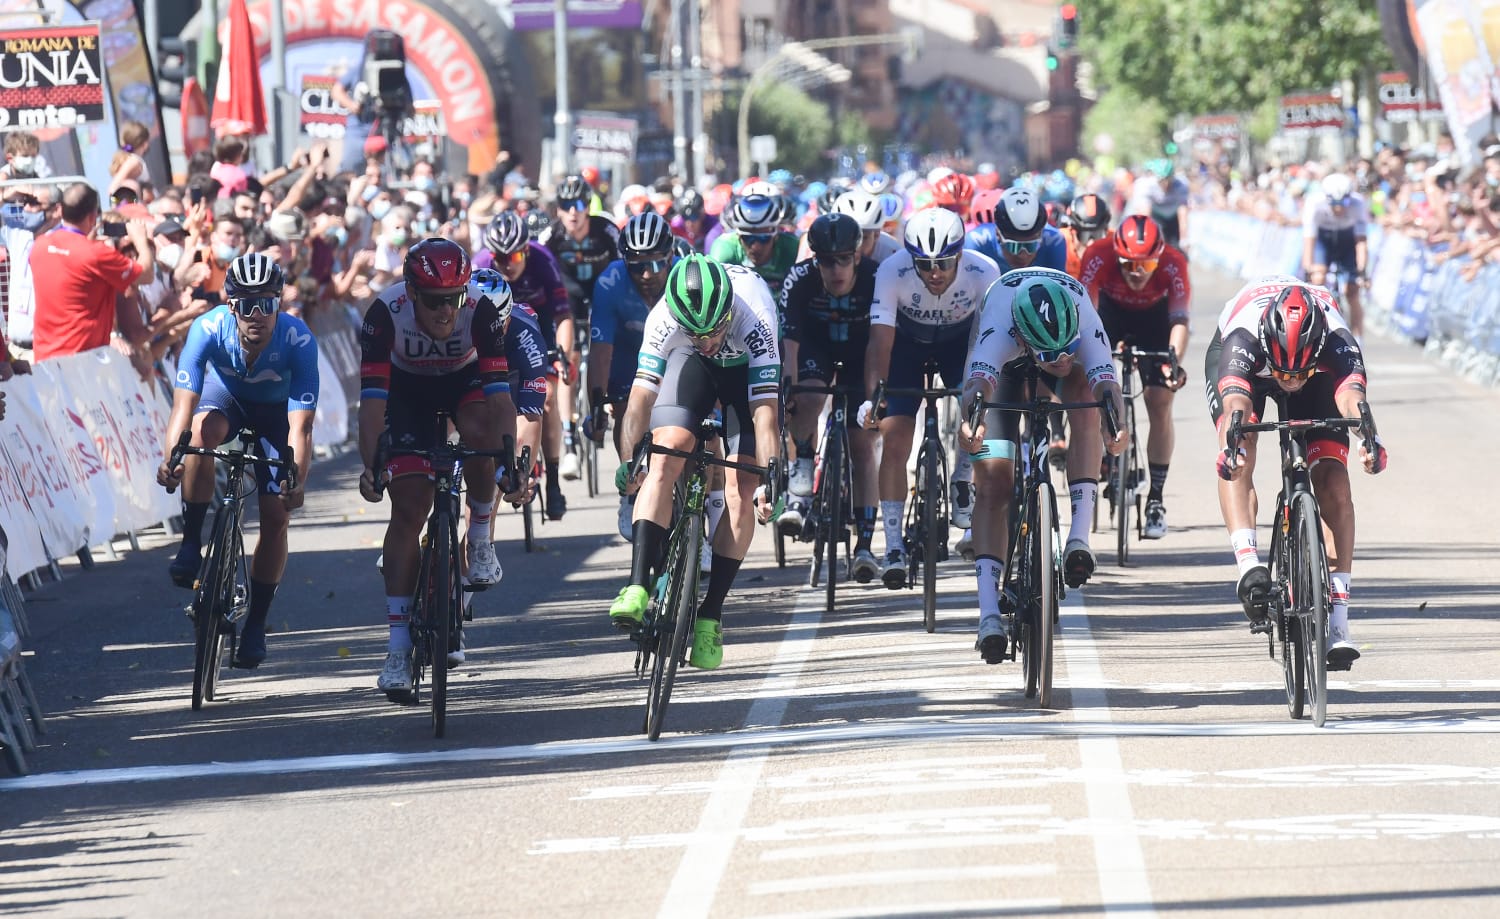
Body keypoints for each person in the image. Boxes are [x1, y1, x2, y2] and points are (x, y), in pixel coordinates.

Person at [356, 238, 545, 699]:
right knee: (409, 507)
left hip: (464, 382)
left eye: (454, 299)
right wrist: (371, 466)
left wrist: (508, 461)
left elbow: (500, 396)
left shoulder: (479, 311)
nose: (446, 311)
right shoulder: (384, 315)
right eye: (436, 301)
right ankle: (398, 649)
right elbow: (371, 405)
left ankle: (479, 537)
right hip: (407, 392)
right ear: (412, 293)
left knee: (483, 437)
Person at [607, 255, 781, 670]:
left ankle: (711, 613)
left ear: (727, 314)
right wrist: (631, 459)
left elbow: (766, 413)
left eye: (714, 331)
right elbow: (640, 399)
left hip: (744, 377)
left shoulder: (754, 316)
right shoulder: (664, 317)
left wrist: (769, 478)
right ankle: (637, 586)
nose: (707, 340)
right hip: (691, 369)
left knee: (741, 488)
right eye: (696, 332)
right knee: (666, 451)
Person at [1208, 278, 1386, 667]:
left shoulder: (1338, 340)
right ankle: (1249, 565)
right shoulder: (1244, 336)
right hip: (1250, 370)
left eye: (1299, 373)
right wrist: (1231, 446)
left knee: (1333, 482)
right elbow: (1236, 400)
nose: (1290, 382)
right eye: (1285, 374)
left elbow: (1351, 398)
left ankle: (1338, 621)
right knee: (1240, 446)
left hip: (1320, 376)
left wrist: (1367, 439)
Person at [156, 254, 317, 668]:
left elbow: (300, 430)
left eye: (267, 303)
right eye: (248, 305)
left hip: (277, 418)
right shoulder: (207, 328)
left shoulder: (298, 340)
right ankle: (192, 542)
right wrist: (170, 458)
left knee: (276, 516)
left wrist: (296, 481)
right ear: (232, 306)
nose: (258, 315)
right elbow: (182, 407)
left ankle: (257, 624)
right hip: (225, 401)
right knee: (199, 433)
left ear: (280, 303)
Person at [958, 268, 1127, 661]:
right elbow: (976, 387)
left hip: (1057, 331)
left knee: (1088, 400)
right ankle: (988, 615)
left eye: (1070, 348)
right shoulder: (1000, 330)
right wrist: (972, 423)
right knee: (994, 484)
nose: (1064, 358)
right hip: (1006, 370)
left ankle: (1078, 540)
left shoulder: (1082, 315)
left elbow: (1108, 386)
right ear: (1026, 339)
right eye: (1054, 354)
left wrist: (1116, 427)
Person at [860, 207, 1003, 588]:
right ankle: (892, 546)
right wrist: (875, 396)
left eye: (943, 263)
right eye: (924, 264)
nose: (934, 273)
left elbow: (992, 342)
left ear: (960, 255)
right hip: (907, 346)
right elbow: (879, 342)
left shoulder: (985, 271)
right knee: (895, 437)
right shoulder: (892, 270)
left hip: (962, 344)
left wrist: (979, 396)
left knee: (979, 415)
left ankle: (963, 475)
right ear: (910, 258)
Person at [780, 213, 882, 580]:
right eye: (826, 260)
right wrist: (788, 394)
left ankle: (866, 545)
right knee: (807, 397)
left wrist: (874, 397)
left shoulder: (875, 278)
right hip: (815, 348)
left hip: (862, 354)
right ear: (815, 259)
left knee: (862, 444)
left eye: (843, 259)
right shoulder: (800, 279)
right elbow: (789, 347)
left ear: (857, 256)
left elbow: (881, 343)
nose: (835, 269)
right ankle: (803, 466)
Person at [1078, 215, 1191, 538]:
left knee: (1159, 401)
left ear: (1159, 259)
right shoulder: (1098, 255)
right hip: (1108, 314)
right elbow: (1085, 315)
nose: (1138, 273)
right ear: (1116, 256)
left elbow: (1179, 321)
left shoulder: (1173, 262)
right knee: (1092, 383)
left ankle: (1155, 498)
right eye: (1129, 265)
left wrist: (1173, 363)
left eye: (1147, 266)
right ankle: (1104, 451)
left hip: (1155, 320)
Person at [477, 211, 575, 518]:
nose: (508, 263)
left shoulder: (543, 261)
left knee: (545, 399)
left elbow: (563, 317)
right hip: (490, 334)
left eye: (515, 255)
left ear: (527, 250)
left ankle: (554, 480)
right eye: (500, 256)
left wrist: (564, 356)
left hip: (537, 330)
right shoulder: (479, 267)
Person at [587, 211, 679, 532]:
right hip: (630, 352)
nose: (645, 275)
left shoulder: (686, 273)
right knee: (626, 407)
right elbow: (600, 353)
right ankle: (630, 490)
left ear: (671, 256)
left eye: (654, 264)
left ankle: (705, 513)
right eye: (636, 265)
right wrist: (597, 406)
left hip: (679, 350)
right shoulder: (610, 283)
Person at [538, 175, 620, 481]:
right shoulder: (550, 235)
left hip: (603, 293)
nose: (573, 211)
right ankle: (570, 442)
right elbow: (536, 271)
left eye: (580, 204)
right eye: (566, 205)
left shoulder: (607, 230)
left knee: (607, 349)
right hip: (567, 299)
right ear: (557, 209)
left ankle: (606, 402)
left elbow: (626, 267)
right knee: (567, 357)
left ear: (589, 207)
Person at [28, 183, 154, 363]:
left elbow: (69, 268)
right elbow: (147, 274)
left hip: (44, 359)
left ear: (60, 210)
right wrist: (140, 240)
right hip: (82, 362)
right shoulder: (98, 254)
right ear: (93, 216)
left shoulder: (39, 245)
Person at [1301, 172, 1369, 339]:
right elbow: (1309, 241)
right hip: (1324, 241)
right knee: (1317, 281)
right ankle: (1315, 330)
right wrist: (1308, 269)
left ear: (1349, 197)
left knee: (1352, 292)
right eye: (1334, 203)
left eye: (1344, 202)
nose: (1339, 208)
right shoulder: (1314, 203)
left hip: (1347, 241)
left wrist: (1362, 270)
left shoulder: (1358, 204)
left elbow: (1361, 242)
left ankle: (1358, 340)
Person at [708, 192, 801, 291]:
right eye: (747, 238)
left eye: (764, 238)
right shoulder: (724, 250)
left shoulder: (793, 248)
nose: (756, 247)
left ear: (776, 235)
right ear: (738, 236)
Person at [966, 186, 1071, 273]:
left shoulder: (1054, 241)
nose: (1023, 255)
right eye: (1014, 246)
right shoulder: (976, 242)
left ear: (1042, 235)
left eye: (1031, 245)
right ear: (998, 234)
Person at [831, 190, 902, 264]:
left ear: (876, 235)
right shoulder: (825, 249)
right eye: (846, 236)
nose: (856, 247)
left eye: (863, 238)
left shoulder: (893, 255)